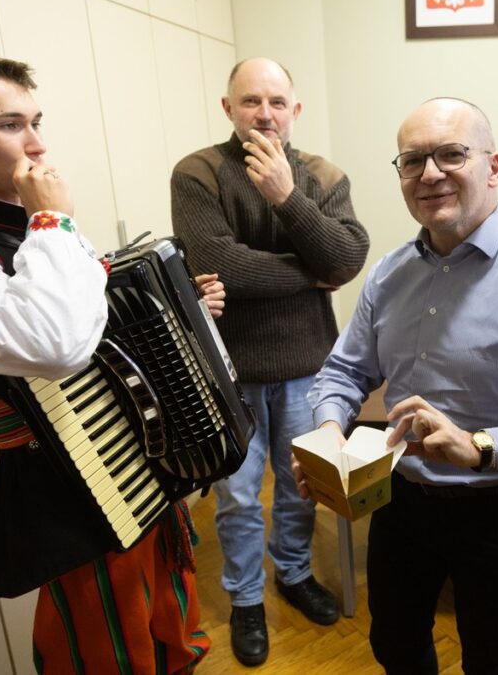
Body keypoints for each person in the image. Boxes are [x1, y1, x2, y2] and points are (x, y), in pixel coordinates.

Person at [0, 43, 226, 673]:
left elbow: (95, 328)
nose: (37, 143)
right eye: (10, 124)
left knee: (172, 636)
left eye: (36, 121)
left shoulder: (35, 226)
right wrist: (50, 220)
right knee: (106, 651)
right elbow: (57, 345)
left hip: (141, 465)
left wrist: (178, 319)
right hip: (71, 491)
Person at [301, 97, 498, 674]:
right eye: (412, 160)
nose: (430, 174)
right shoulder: (390, 274)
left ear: (493, 167)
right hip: (402, 498)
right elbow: (346, 371)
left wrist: (480, 447)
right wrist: (328, 434)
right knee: (394, 645)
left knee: (491, 659)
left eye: (452, 154)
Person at [170, 57, 369, 666]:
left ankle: (291, 572)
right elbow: (218, 264)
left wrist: (286, 199)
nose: (265, 113)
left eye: (277, 102)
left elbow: (346, 258)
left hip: (309, 364)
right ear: (227, 108)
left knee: (299, 485)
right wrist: (313, 272)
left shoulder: (322, 176)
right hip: (226, 371)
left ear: (295, 110)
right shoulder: (198, 173)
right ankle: (246, 598)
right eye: (251, 101)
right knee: (233, 495)